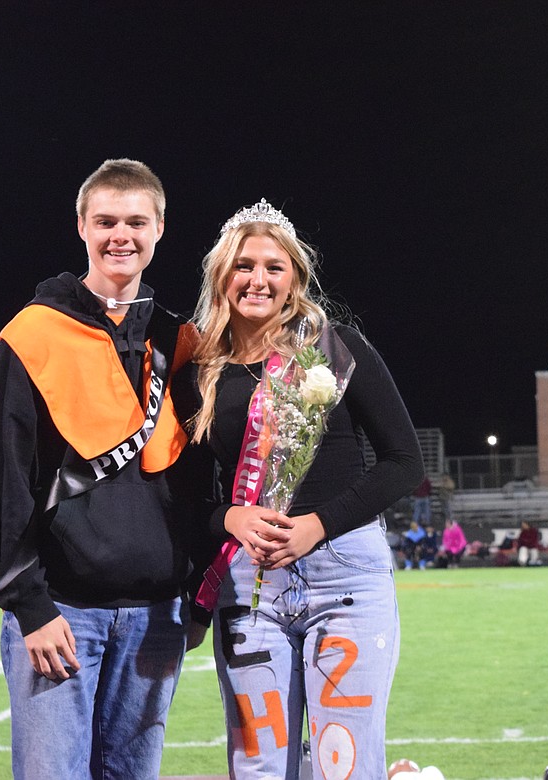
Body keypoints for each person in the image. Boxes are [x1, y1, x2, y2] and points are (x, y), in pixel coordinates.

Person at [0, 159, 203, 778]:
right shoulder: (32, 334)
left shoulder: (179, 341)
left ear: (160, 228)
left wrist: (196, 597)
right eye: (105, 221)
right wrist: (30, 606)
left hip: (157, 615)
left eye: (135, 221)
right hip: (62, 613)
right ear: (81, 226)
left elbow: (196, 481)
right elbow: (4, 479)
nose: (120, 235)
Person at [178, 199, 424, 778]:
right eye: (243, 265)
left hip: (346, 578)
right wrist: (230, 519)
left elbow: (403, 462)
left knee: (346, 763)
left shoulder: (337, 349)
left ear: (294, 280)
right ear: (221, 276)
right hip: (249, 588)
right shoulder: (200, 373)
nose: (257, 279)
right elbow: (186, 496)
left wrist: (319, 524)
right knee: (259, 767)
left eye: (273, 267)